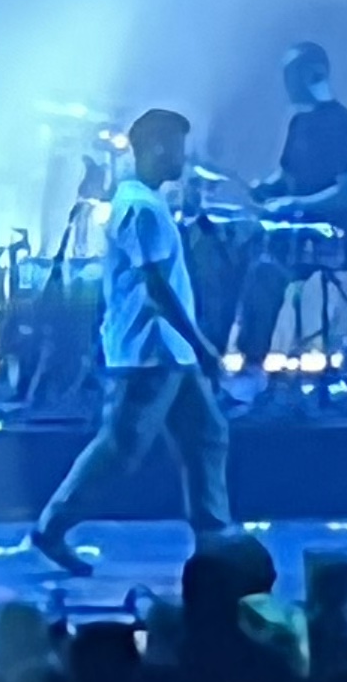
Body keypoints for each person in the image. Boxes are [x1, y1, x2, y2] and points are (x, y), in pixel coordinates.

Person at [14, 107, 236, 573]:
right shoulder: (140, 209)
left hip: (168, 353)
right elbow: (156, 289)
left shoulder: (147, 203)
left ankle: (214, 534)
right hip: (149, 353)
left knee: (207, 435)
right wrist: (201, 345)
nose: (182, 157)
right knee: (120, 449)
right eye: (177, 147)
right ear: (155, 147)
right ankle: (51, 527)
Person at [228, 41, 347, 371]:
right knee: (234, 253)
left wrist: (293, 203)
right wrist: (266, 189)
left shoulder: (343, 125)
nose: (286, 85)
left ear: (314, 74)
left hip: (339, 236)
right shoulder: (300, 123)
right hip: (301, 229)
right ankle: (216, 357)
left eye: (291, 75)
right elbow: (286, 175)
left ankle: (252, 365)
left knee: (266, 269)